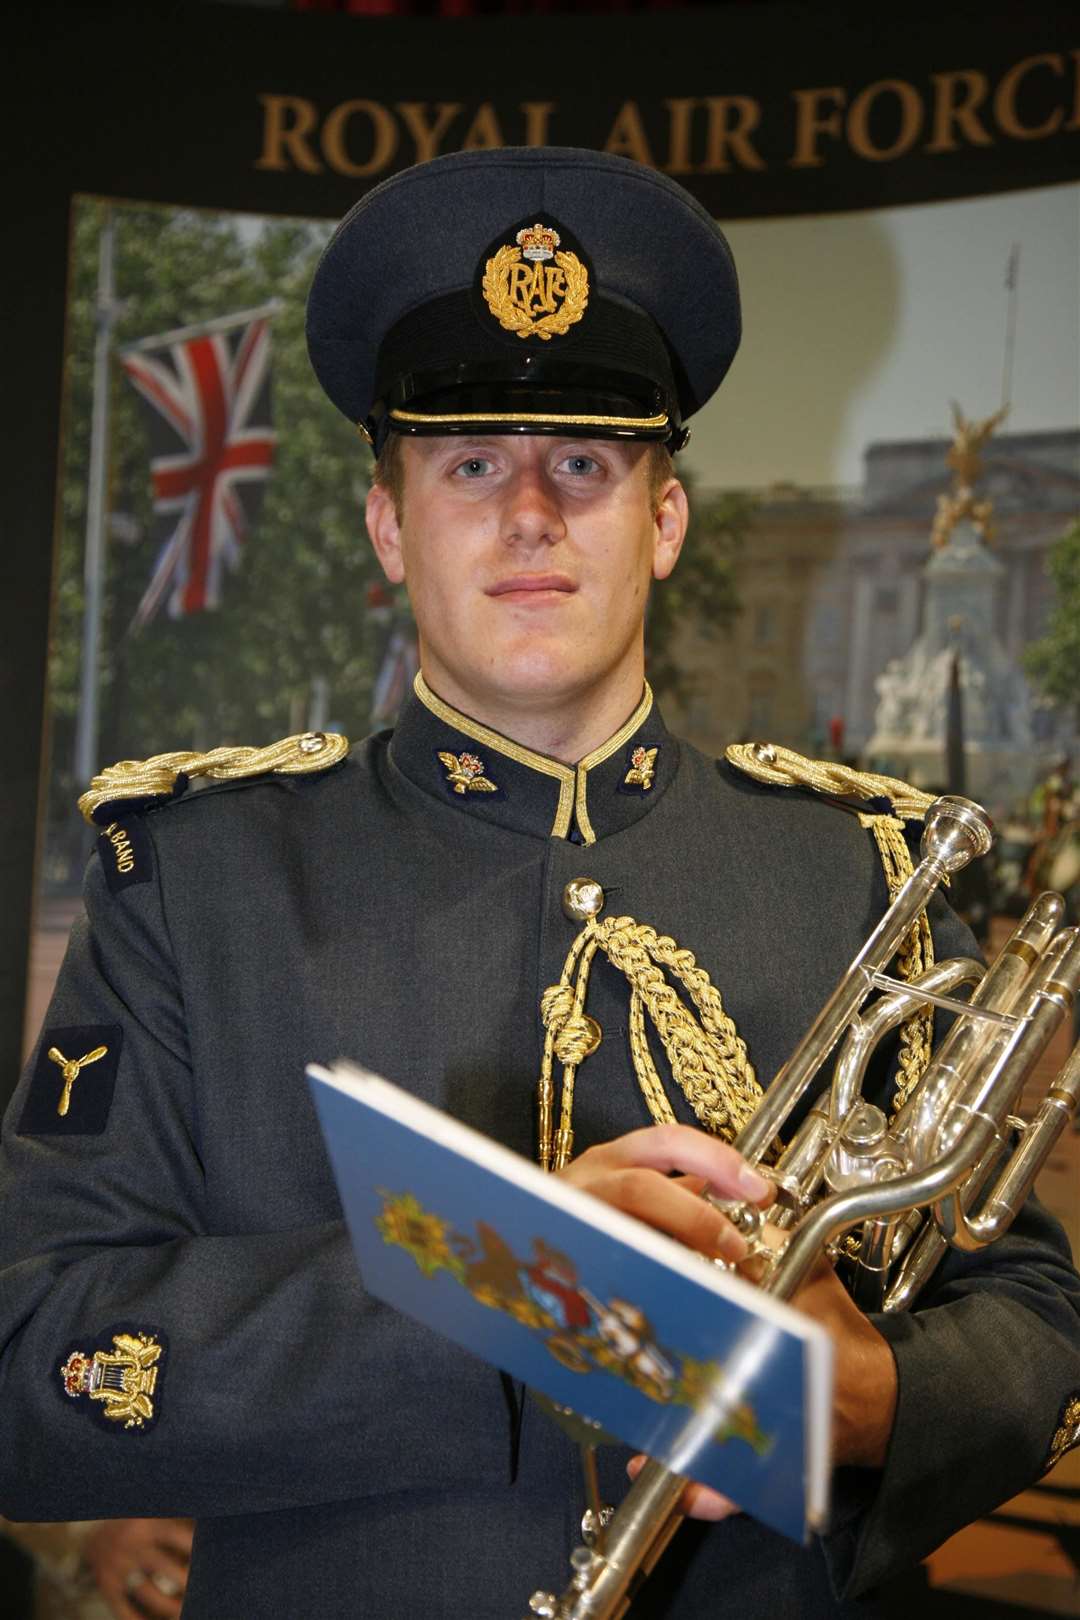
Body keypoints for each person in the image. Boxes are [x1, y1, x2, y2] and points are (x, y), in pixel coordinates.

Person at [2, 147, 1078, 1620]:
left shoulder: (862, 874)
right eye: (468, 463)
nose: (530, 513)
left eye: (584, 462)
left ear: (667, 523)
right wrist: (526, 1295)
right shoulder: (196, 882)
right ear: (390, 527)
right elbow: (34, 1355)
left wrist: (874, 1392)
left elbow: (1031, 1316)